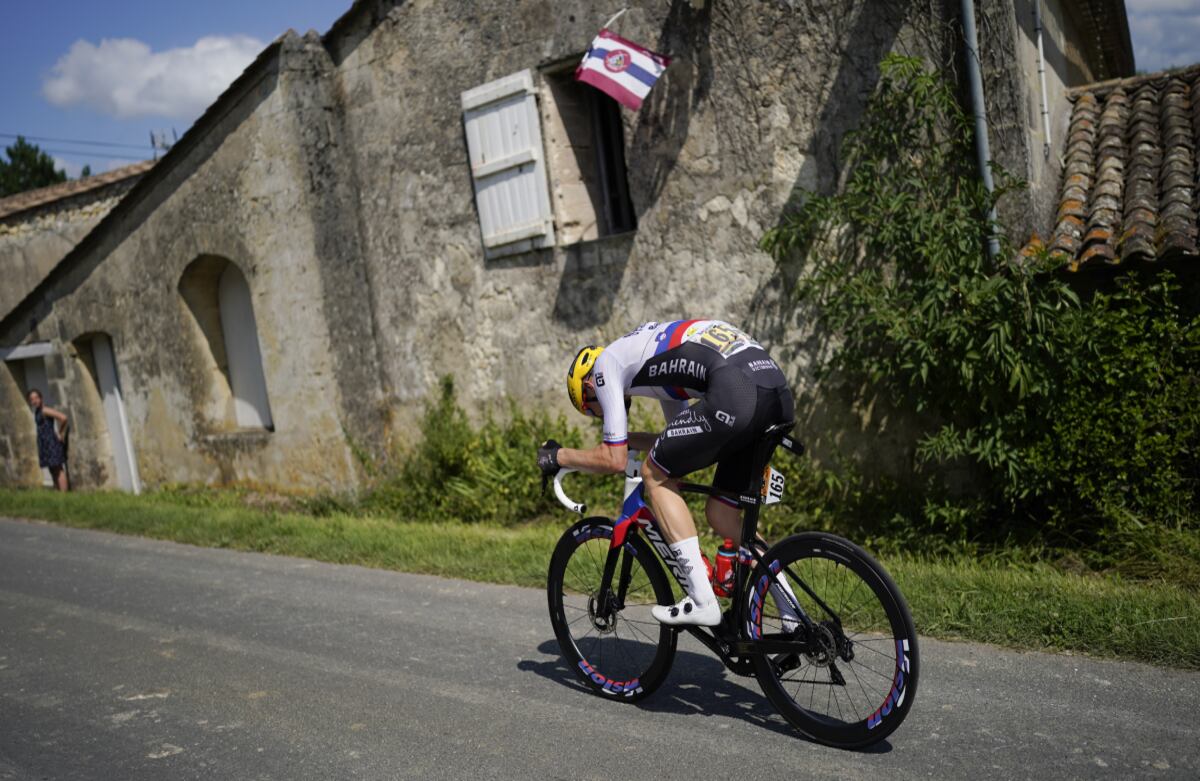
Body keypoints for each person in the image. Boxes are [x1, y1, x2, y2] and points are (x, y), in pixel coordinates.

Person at [538, 320, 797, 627]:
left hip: (737, 393)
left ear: (589, 388)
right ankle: (792, 614)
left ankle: (702, 601)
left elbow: (614, 459)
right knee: (722, 515)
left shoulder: (605, 366)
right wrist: (629, 439)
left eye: (591, 409)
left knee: (653, 475)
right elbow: (680, 440)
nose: (600, 415)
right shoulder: (654, 358)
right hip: (774, 392)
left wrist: (558, 456)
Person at [28, 388, 69, 492]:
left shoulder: (45, 410)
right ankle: (58, 491)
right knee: (52, 469)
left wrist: (60, 432)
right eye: (32, 399)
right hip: (44, 443)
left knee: (58, 469)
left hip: (51, 442)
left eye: (36, 398)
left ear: (41, 398)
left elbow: (63, 417)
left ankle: (64, 494)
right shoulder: (37, 411)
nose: (34, 401)